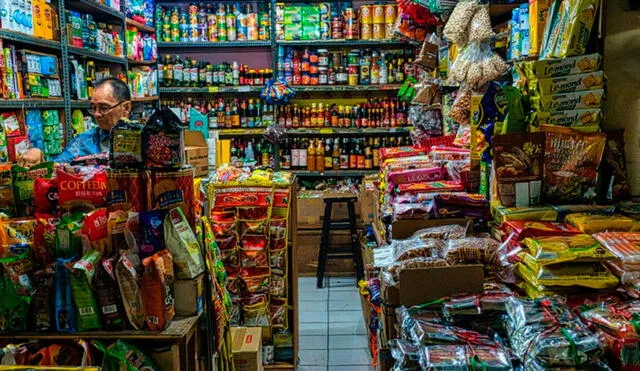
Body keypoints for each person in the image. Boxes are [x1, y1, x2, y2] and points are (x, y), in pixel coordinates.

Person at [19, 78, 132, 166]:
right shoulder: (84, 141)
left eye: (104, 107)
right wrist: (39, 156)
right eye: (93, 108)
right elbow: (58, 166)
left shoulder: (144, 139)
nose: (97, 114)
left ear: (126, 108)